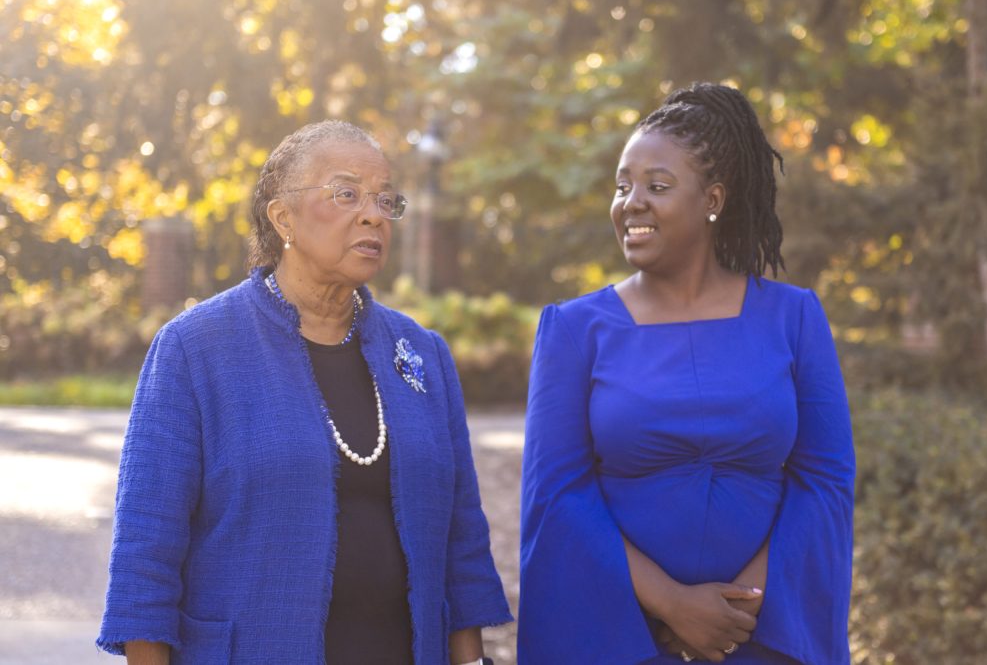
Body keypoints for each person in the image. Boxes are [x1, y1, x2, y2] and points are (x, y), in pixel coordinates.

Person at [97, 120, 511, 664]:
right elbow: (145, 556)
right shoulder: (195, 350)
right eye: (346, 194)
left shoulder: (422, 351)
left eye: (385, 199)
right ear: (283, 217)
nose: (372, 214)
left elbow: (462, 543)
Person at [518, 83, 854, 665]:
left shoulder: (794, 317)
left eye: (658, 185)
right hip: (621, 635)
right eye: (622, 186)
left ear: (713, 200)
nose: (632, 202)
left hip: (765, 635)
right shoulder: (574, 329)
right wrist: (671, 605)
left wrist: (738, 611)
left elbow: (824, 481)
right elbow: (556, 496)